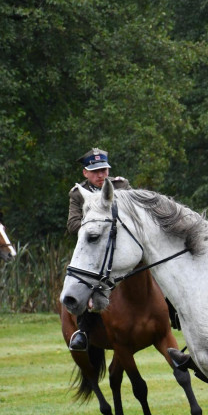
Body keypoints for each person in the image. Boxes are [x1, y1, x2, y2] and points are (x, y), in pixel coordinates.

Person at [66, 148, 130, 351]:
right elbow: (72, 224)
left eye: (103, 170)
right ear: (85, 173)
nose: (100, 175)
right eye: (95, 171)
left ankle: (171, 312)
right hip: (94, 249)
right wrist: (95, 225)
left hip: (123, 245)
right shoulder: (78, 194)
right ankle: (83, 332)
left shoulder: (121, 185)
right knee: (85, 281)